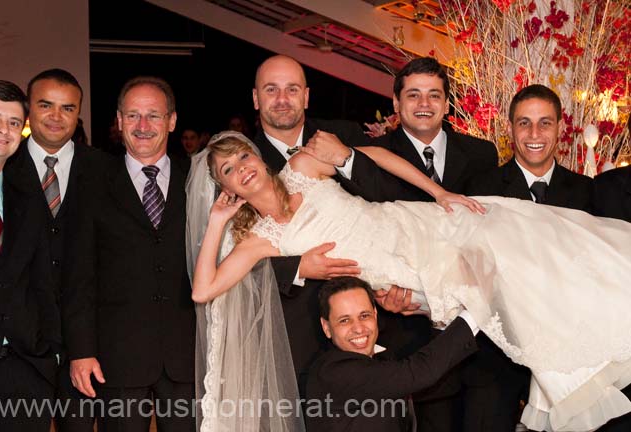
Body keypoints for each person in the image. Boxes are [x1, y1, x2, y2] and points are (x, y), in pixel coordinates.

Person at [188, 130, 631, 432]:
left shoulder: (303, 164)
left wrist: (437, 192)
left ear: (258, 158)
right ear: (227, 188)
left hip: (419, 228)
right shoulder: (260, 240)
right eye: (227, 170)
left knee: (531, 249)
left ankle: (610, 315)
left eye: (243, 156)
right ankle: (582, 368)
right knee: (507, 304)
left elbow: (375, 155)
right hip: (407, 276)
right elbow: (203, 290)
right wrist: (216, 221)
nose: (241, 168)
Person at [252, 55, 413, 395]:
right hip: (293, 334)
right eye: (271, 90)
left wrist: (345, 158)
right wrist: (297, 266)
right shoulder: (242, 163)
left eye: (292, 89)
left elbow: (392, 197)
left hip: (369, 323)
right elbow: (232, 258)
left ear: (306, 96)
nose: (283, 99)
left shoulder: (344, 133)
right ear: (256, 98)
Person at [367, 57, 498, 431]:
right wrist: (376, 292)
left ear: (446, 102)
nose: (424, 104)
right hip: (402, 332)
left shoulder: (481, 154)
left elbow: (489, 235)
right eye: (413, 95)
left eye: (434, 95)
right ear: (395, 102)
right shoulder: (374, 158)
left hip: (471, 336)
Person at [63, 76, 196, 431]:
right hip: (116, 356)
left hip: (188, 356)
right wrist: (80, 350)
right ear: (119, 121)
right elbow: (78, 275)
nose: (142, 126)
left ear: (171, 121)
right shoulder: (90, 183)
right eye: (132, 115)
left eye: (153, 115)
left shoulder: (199, 181)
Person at [464, 84, 594, 432]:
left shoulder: (587, 193)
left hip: (566, 357)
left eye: (545, 123)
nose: (534, 134)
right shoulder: (480, 189)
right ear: (509, 128)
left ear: (560, 129)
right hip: (495, 356)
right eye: (524, 123)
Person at [4, 68, 105, 432]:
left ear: (79, 114)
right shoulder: (1, 167)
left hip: (86, 347)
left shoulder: (104, 169)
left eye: (67, 108)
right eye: (46, 105)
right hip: (17, 348)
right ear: (29, 109)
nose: (56, 116)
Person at [0, 80, 59, 431]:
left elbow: (44, 281)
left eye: (14, 123)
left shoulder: (28, 200)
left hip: (27, 371)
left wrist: (50, 351)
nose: (3, 130)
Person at [306, 276, 479, 432]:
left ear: (375, 315)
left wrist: (436, 317)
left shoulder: (382, 361)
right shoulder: (333, 371)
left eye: (364, 316)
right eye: (345, 320)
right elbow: (420, 372)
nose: (358, 328)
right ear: (326, 327)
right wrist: (478, 309)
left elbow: (440, 383)